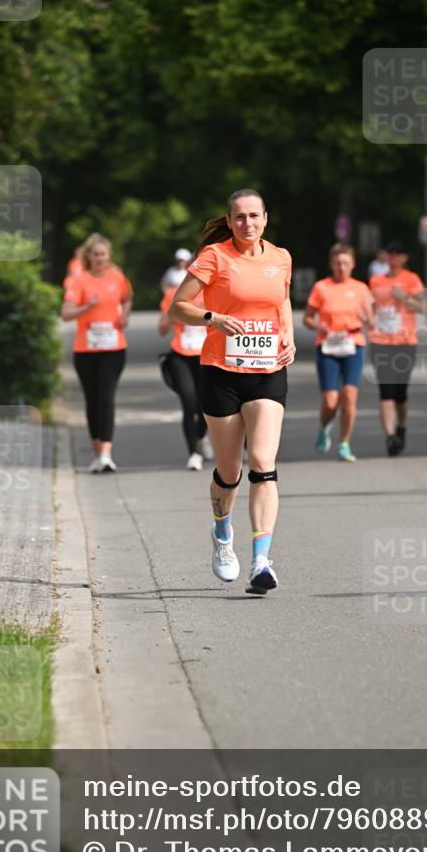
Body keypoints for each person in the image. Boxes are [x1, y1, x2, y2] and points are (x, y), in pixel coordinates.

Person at [170, 189, 295, 595]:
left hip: (267, 370)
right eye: (239, 217)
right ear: (229, 219)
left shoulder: (281, 258)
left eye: (254, 216)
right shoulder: (214, 258)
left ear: (265, 218)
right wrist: (214, 318)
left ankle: (261, 560)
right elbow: (177, 306)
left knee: (263, 461)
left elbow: (283, 300)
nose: (248, 223)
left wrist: (288, 336)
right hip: (220, 372)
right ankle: (223, 533)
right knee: (230, 473)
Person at [61, 233, 133, 473]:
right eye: (95, 254)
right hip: (86, 349)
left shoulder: (118, 277)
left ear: (109, 255)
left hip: (114, 348)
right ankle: (95, 451)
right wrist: (87, 307)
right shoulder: (79, 280)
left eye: (103, 254)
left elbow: (127, 297)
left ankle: (106, 454)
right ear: (88, 256)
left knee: (106, 397)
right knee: (92, 400)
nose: (100, 258)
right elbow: (65, 314)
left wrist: (125, 314)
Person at [303, 244, 374, 461]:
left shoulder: (361, 288)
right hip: (328, 345)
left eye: (345, 263)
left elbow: (371, 322)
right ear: (331, 264)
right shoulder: (321, 287)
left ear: (352, 264)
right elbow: (307, 318)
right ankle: (325, 428)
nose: (341, 267)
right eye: (337, 263)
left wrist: (365, 319)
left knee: (350, 396)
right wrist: (318, 326)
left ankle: (344, 443)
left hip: (353, 344)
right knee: (331, 401)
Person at [368, 241, 427, 455]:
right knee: (386, 391)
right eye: (390, 254)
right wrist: (367, 319)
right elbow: (369, 307)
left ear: (404, 258)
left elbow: (423, 307)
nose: (394, 258)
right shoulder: (376, 281)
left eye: (398, 254)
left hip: (405, 342)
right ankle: (390, 437)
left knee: (400, 392)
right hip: (380, 341)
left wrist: (405, 298)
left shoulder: (411, 279)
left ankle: (401, 427)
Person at [158, 283, 213, 470]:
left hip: (208, 354)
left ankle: (200, 438)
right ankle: (194, 453)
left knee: (206, 404)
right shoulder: (175, 293)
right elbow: (162, 329)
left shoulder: (216, 290)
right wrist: (174, 313)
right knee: (189, 403)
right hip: (180, 355)